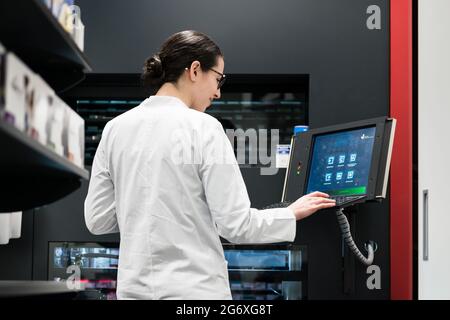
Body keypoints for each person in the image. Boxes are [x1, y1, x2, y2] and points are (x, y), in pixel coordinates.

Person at [84, 30, 336, 300]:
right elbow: (236, 225)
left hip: (133, 293)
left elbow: (97, 220)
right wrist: (291, 213)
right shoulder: (203, 127)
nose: (217, 92)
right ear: (194, 70)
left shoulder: (115, 128)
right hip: (194, 294)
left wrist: (144, 207)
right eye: (218, 79)